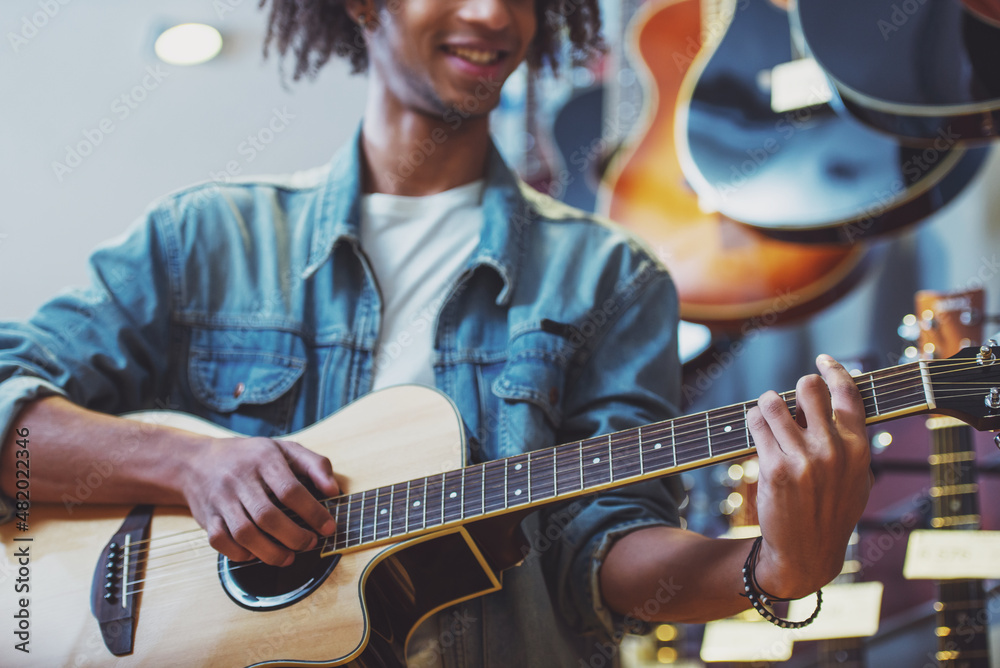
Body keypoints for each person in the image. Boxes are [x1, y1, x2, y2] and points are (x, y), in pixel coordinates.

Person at [0, 0, 872, 665]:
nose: (495, 17)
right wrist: (192, 465)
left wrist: (778, 568)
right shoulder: (204, 238)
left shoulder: (613, 277)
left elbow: (602, 548)